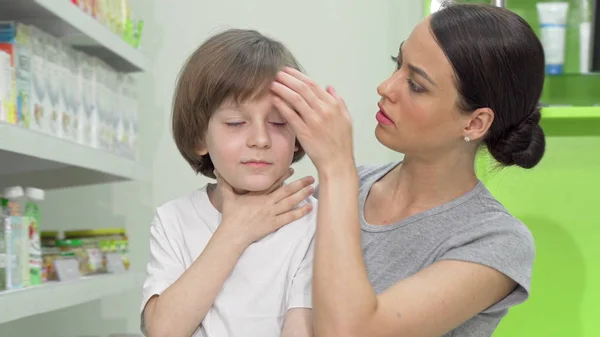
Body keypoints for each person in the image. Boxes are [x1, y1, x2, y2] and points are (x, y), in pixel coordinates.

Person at [270, 3, 544, 337]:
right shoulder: (334, 193)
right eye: (397, 64)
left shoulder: (495, 240)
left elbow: (352, 332)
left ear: (475, 122)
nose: (386, 87)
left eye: (416, 85)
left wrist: (337, 168)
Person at [140, 29, 317, 337]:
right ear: (199, 138)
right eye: (236, 123)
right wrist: (235, 232)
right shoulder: (173, 221)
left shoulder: (312, 222)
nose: (260, 139)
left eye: (278, 123)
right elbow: (162, 331)